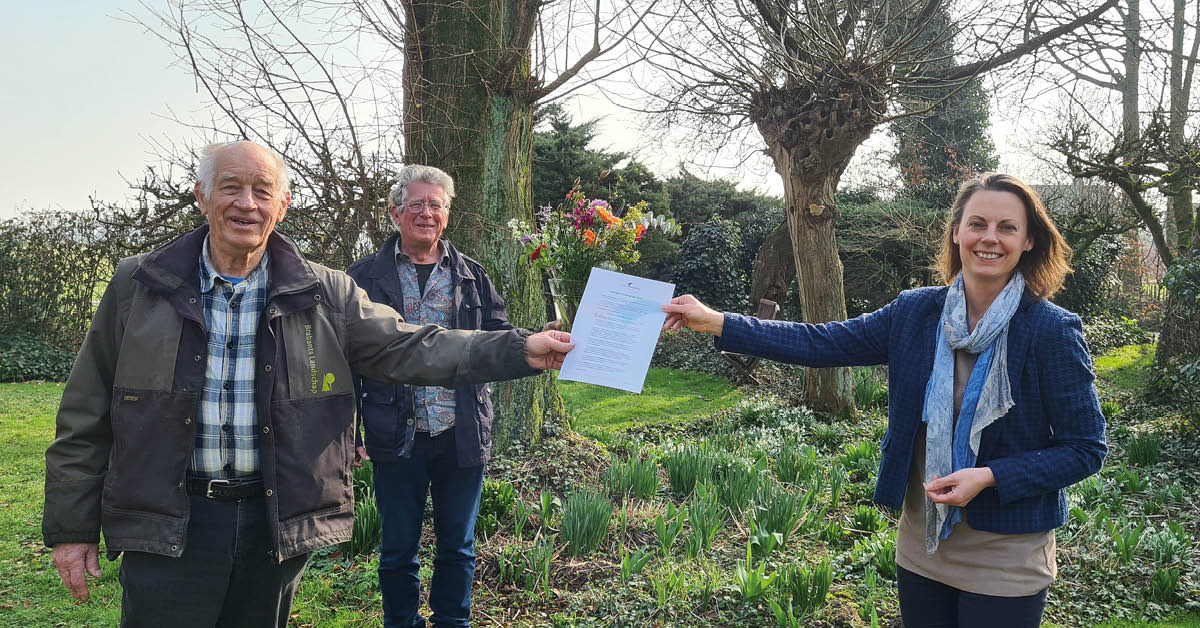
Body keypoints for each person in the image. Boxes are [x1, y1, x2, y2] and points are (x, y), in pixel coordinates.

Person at [41, 141, 573, 628]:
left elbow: (412, 344)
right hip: (168, 522)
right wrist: (72, 527)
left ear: (283, 204)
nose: (246, 204)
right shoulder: (141, 286)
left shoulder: (324, 292)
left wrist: (521, 348)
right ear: (202, 195)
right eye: (230, 187)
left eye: (261, 191)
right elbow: (85, 413)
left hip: (272, 523)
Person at [662, 173, 1106, 627]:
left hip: (1005, 555)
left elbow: (1084, 449)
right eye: (977, 224)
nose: (989, 238)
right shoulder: (916, 312)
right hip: (922, 545)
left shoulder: (1051, 330)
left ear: (1029, 239)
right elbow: (824, 342)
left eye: (1006, 227)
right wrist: (718, 322)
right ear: (956, 233)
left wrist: (991, 476)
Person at [348, 165, 544, 628]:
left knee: (458, 545)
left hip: (461, 431)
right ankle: (401, 622)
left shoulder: (471, 276)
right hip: (394, 433)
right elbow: (346, 359)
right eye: (415, 204)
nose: (426, 213)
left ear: (447, 215)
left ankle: (452, 622)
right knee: (398, 547)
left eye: (435, 204)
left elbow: (499, 340)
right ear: (395, 213)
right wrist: (349, 428)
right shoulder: (361, 278)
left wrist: (537, 340)